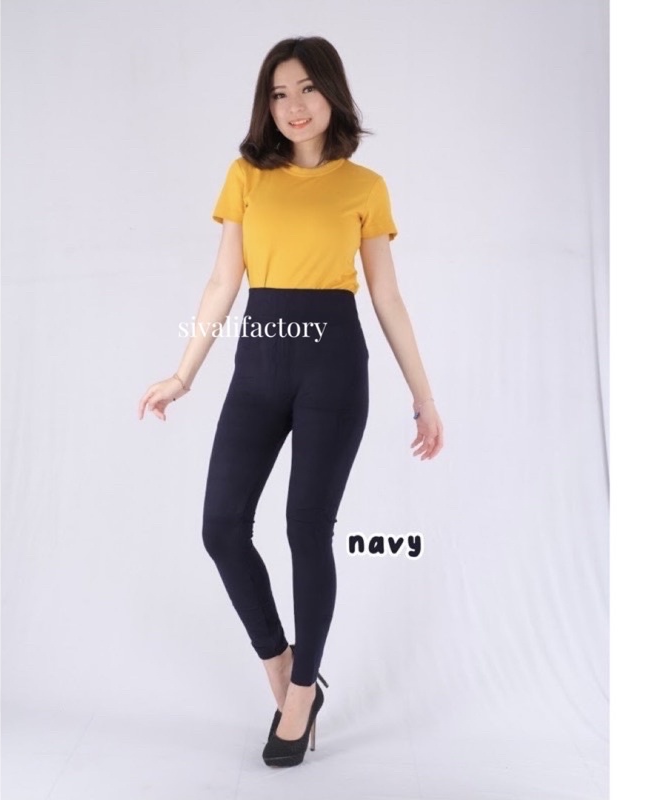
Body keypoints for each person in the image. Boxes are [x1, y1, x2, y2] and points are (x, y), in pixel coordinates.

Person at [138, 35, 443, 767]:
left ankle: (302, 694)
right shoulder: (247, 175)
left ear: (331, 92)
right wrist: (184, 374)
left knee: (306, 530)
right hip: (260, 361)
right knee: (221, 527)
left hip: (333, 367)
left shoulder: (364, 186)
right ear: (265, 105)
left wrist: (423, 396)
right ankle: (281, 660)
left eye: (307, 88)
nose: (294, 106)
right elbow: (223, 282)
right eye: (279, 93)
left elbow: (388, 297)